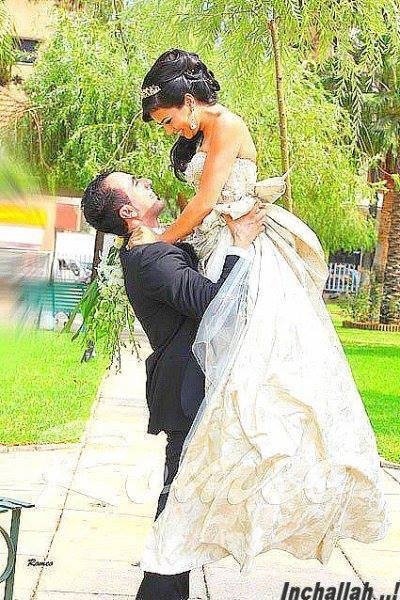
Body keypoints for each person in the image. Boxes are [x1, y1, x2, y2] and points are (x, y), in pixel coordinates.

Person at [127, 48, 390, 576]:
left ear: (188, 100)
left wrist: (158, 243)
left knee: (260, 374)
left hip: (241, 245)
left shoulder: (226, 125)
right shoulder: (202, 133)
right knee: (221, 375)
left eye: (168, 119)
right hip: (219, 243)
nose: (170, 130)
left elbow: (204, 203)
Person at [81, 170, 267, 600]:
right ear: (128, 212)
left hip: (186, 386)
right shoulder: (151, 259)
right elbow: (212, 302)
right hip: (187, 390)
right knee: (179, 502)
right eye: (136, 182)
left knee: (182, 501)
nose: (146, 181)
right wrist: (239, 244)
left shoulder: (151, 248)